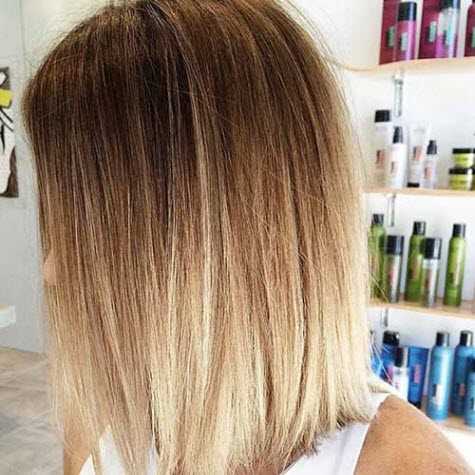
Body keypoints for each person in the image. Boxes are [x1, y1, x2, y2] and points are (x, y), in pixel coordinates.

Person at [23, 1, 472, 474]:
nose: (51, 268)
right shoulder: (104, 409)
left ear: (211, 240)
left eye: (90, 231)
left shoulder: (409, 467)